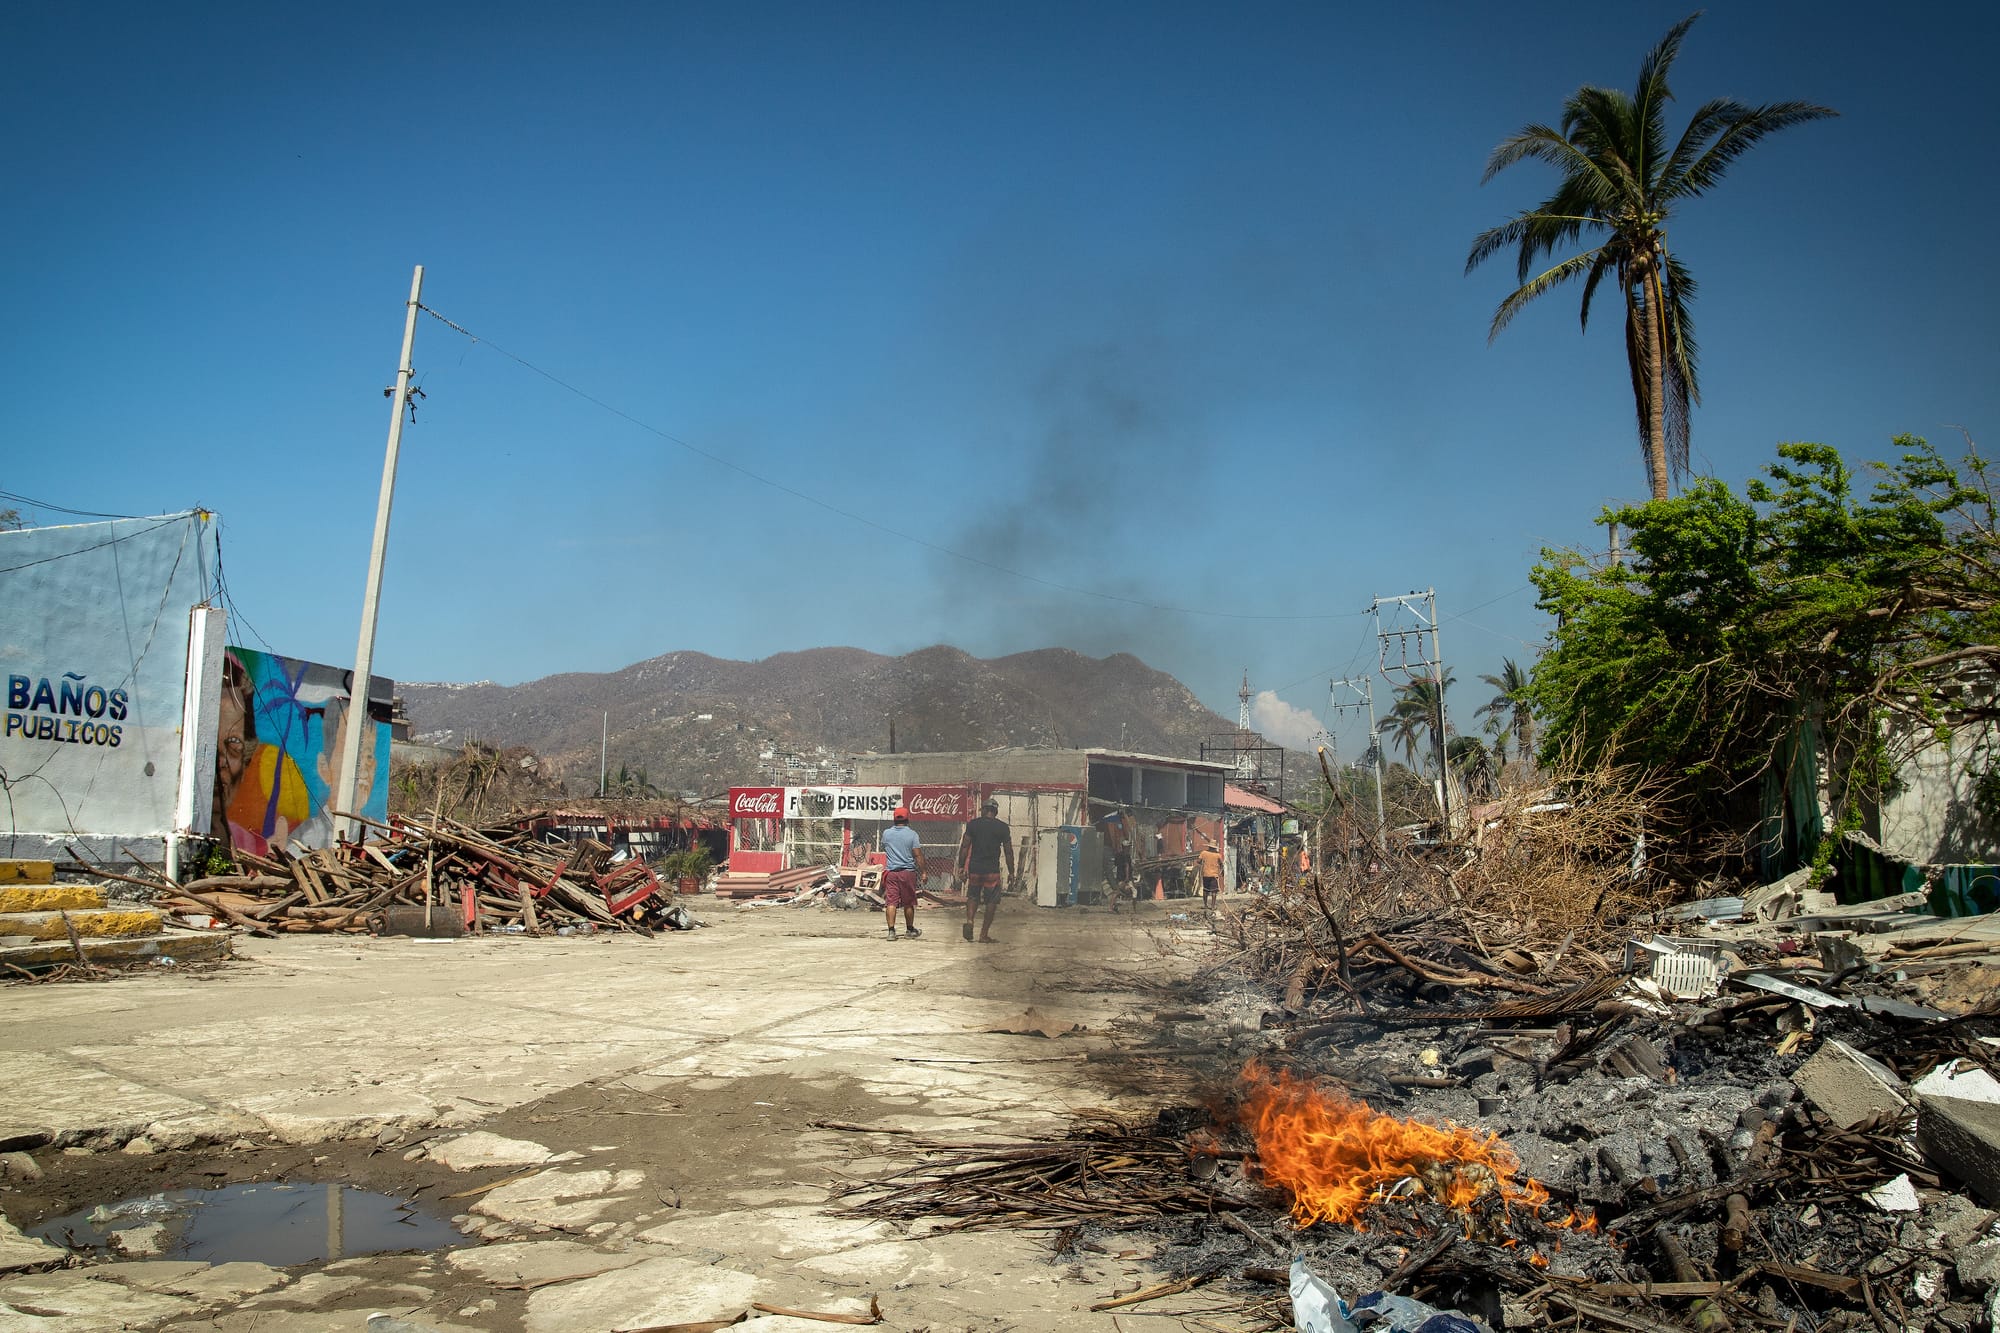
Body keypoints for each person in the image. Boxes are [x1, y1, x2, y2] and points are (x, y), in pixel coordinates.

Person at [957, 798, 1015, 943]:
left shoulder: (973, 825)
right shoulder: (1002, 827)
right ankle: (983, 935)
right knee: (991, 901)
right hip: (992, 871)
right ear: (995, 811)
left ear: (983, 809)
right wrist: (1011, 871)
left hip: (975, 869)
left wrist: (961, 866)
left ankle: (970, 921)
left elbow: (965, 846)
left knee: (973, 897)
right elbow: (1008, 852)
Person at [880, 806, 925, 940]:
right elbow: (918, 855)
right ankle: (910, 930)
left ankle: (891, 932)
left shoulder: (886, 833)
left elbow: (885, 847)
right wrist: (924, 872)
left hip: (892, 872)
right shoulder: (912, 834)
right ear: (907, 819)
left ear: (894, 819)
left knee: (891, 902)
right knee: (908, 902)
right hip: (907, 872)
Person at [1198, 838, 1224, 913]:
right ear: (1215, 847)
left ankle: (1205, 905)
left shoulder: (1203, 853)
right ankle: (1212, 906)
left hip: (1205, 874)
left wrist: (1204, 863)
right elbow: (1221, 864)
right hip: (1214, 875)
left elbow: (1198, 861)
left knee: (1205, 890)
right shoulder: (1218, 855)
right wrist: (1222, 872)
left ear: (1209, 846)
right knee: (1214, 891)